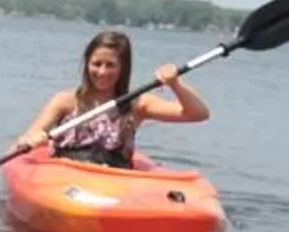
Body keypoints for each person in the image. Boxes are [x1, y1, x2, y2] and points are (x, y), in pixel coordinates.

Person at [11, 27, 207, 168]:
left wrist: (175, 84)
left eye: (110, 65)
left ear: (123, 68)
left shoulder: (138, 104)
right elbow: (32, 133)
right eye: (96, 64)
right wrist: (33, 138)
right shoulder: (66, 101)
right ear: (87, 64)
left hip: (114, 179)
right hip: (67, 175)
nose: (102, 72)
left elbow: (198, 114)